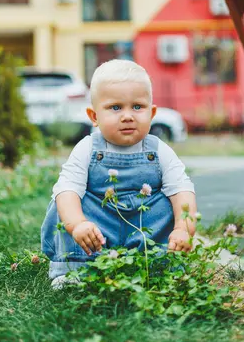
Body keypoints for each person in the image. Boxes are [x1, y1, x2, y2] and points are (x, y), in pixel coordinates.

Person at [41, 59, 196, 288]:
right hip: (97, 227)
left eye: (137, 107)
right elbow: (68, 188)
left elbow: (182, 190)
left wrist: (183, 228)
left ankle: (159, 263)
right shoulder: (87, 148)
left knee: (169, 201)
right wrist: (78, 224)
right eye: (115, 107)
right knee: (64, 203)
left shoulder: (159, 150)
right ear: (94, 117)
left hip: (144, 225)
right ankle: (75, 269)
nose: (127, 116)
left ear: (152, 113)